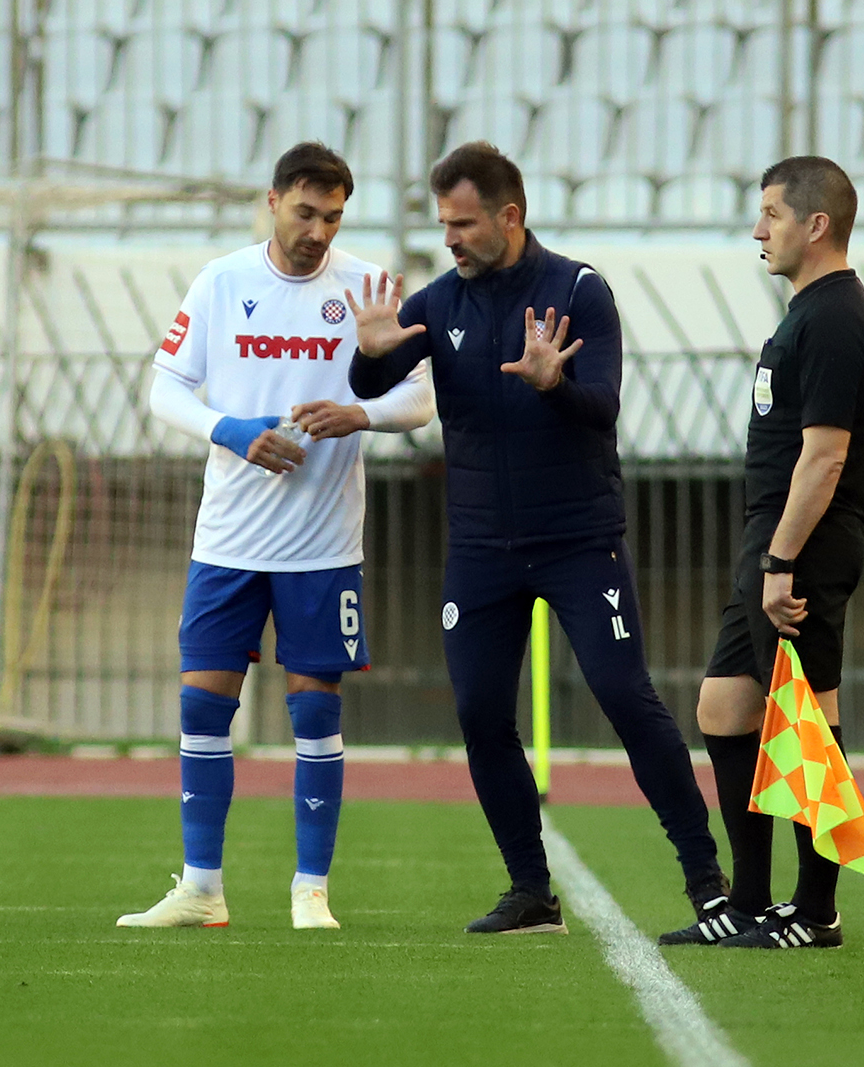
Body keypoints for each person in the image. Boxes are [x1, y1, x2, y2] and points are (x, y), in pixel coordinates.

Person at [346, 141, 727, 935]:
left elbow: (604, 406)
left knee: (626, 697)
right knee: (481, 712)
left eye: (462, 223)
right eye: (442, 223)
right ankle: (530, 891)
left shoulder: (579, 291)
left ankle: (707, 883)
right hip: (482, 550)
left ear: (509, 216)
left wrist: (555, 384)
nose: (448, 238)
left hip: (579, 539)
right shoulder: (441, 301)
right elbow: (372, 382)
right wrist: (368, 352)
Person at [117, 142, 435, 931]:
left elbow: (421, 398)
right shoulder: (224, 283)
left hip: (322, 546)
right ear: (272, 201)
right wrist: (231, 431)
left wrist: (360, 411)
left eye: (332, 216)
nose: (319, 230)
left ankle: (310, 891)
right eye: (306, 212)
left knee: (316, 712)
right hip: (226, 540)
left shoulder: (366, 287)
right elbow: (163, 387)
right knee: (201, 707)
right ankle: (201, 887)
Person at [659, 157, 864, 949]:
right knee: (724, 707)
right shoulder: (804, 314)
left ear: (815, 224)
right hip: (770, 542)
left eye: (772, 215)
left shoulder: (833, 318)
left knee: (807, 720)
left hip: (804, 548)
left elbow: (824, 458)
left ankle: (816, 910)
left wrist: (783, 561)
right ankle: (750, 898)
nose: (759, 230)